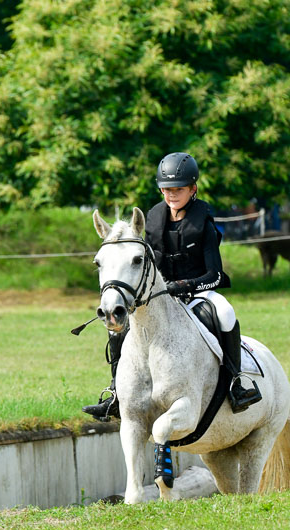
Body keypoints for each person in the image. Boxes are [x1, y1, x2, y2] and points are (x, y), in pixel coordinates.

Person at [82, 152, 262, 421]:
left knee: (225, 312)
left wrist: (186, 285)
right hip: (160, 296)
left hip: (199, 291)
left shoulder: (204, 223)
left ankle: (237, 383)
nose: (171, 194)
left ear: (193, 189)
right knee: (118, 328)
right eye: (166, 189)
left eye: (178, 189)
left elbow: (215, 273)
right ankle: (115, 394)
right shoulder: (153, 218)